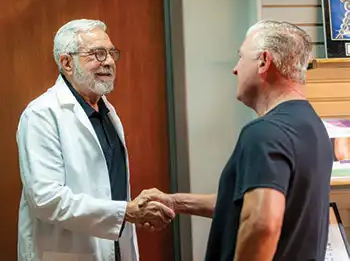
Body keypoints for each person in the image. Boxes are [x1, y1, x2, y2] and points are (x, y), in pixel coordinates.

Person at [139, 20, 333, 261]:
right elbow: (248, 202)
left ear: (263, 61)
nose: (235, 69)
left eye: (241, 57)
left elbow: (262, 222)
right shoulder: (311, 126)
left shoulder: (264, 132)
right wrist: (176, 202)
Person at [16, 19, 174, 261]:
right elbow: (45, 199)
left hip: (114, 248)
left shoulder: (107, 111)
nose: (109, 61)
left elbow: (107, 187)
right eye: (97, 54)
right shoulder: (41, 114)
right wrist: (126, 212)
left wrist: (131, 214)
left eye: (111, 53)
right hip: (66, 253)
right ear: (66, 63)